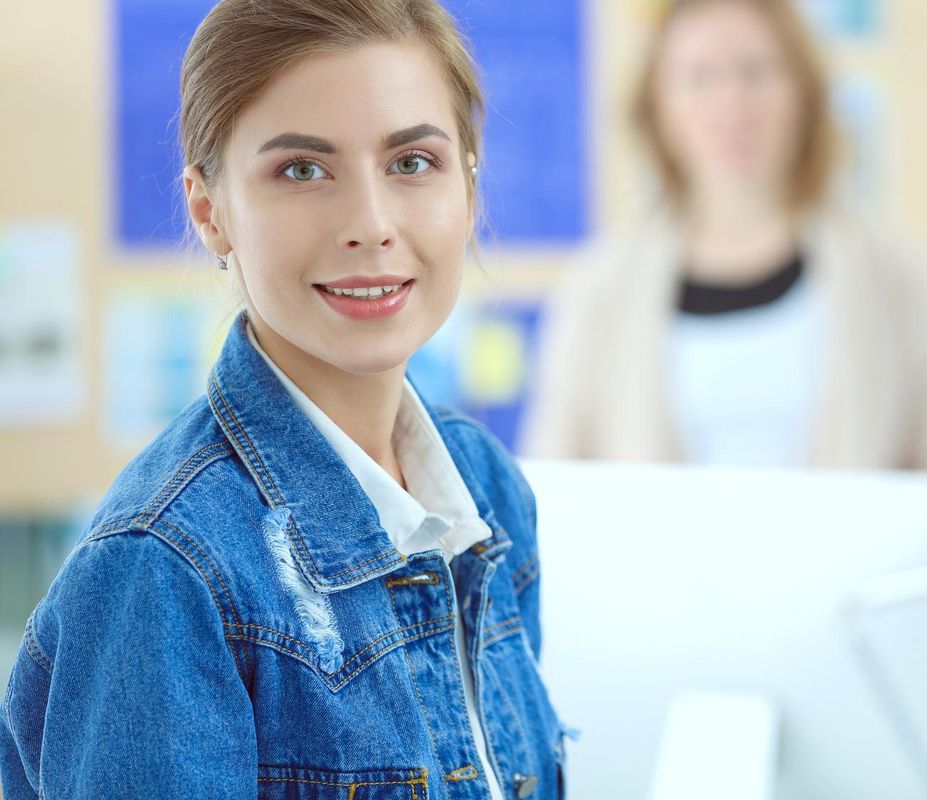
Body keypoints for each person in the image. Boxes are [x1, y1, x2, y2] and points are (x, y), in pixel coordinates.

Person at [0, 1, 566, 797]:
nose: (370, 225)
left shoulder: (486, 486)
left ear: (469, 186)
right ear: (211, 211)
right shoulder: (160, 568)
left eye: (411, 163)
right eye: (302, 170)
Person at [521, 0, 927, 471]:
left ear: (804, 92)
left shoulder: (896, 278)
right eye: (699, 77)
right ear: (657, 106)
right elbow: (554, 490)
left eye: (756, 71)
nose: (731, 101)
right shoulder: (600, 289)